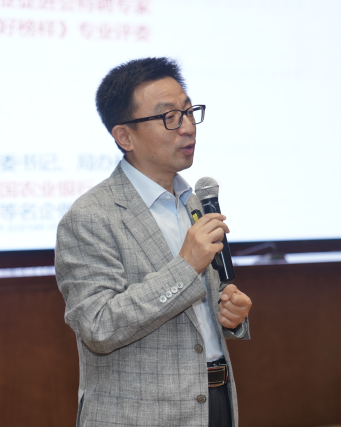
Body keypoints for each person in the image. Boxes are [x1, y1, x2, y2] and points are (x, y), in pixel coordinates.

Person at [55, 57, 252, 427]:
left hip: (216, 401)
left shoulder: (194, 202)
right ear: (124, 137)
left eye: (189, 112)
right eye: (169, 117)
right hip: (139, 416)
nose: (188, 127)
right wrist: (185, 267)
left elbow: (194, 317)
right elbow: (98, 327)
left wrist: (230, 315)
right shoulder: (91, 217)